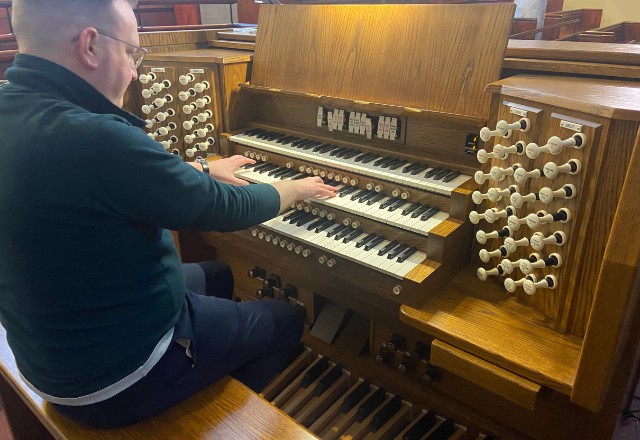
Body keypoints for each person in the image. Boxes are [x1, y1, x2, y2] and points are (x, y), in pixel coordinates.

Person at [0, 0, 337, 428]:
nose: (135, 72)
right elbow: (223, 207)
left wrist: (200, 168)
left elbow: (114, 180)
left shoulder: (15, 107)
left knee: (219, 274)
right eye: (131, 53)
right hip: (115, 380)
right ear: (90, 46)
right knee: (286, 319)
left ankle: (208, 359)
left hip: (50, 354)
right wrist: (293, 188)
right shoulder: (94, 136)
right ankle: (226, 420)